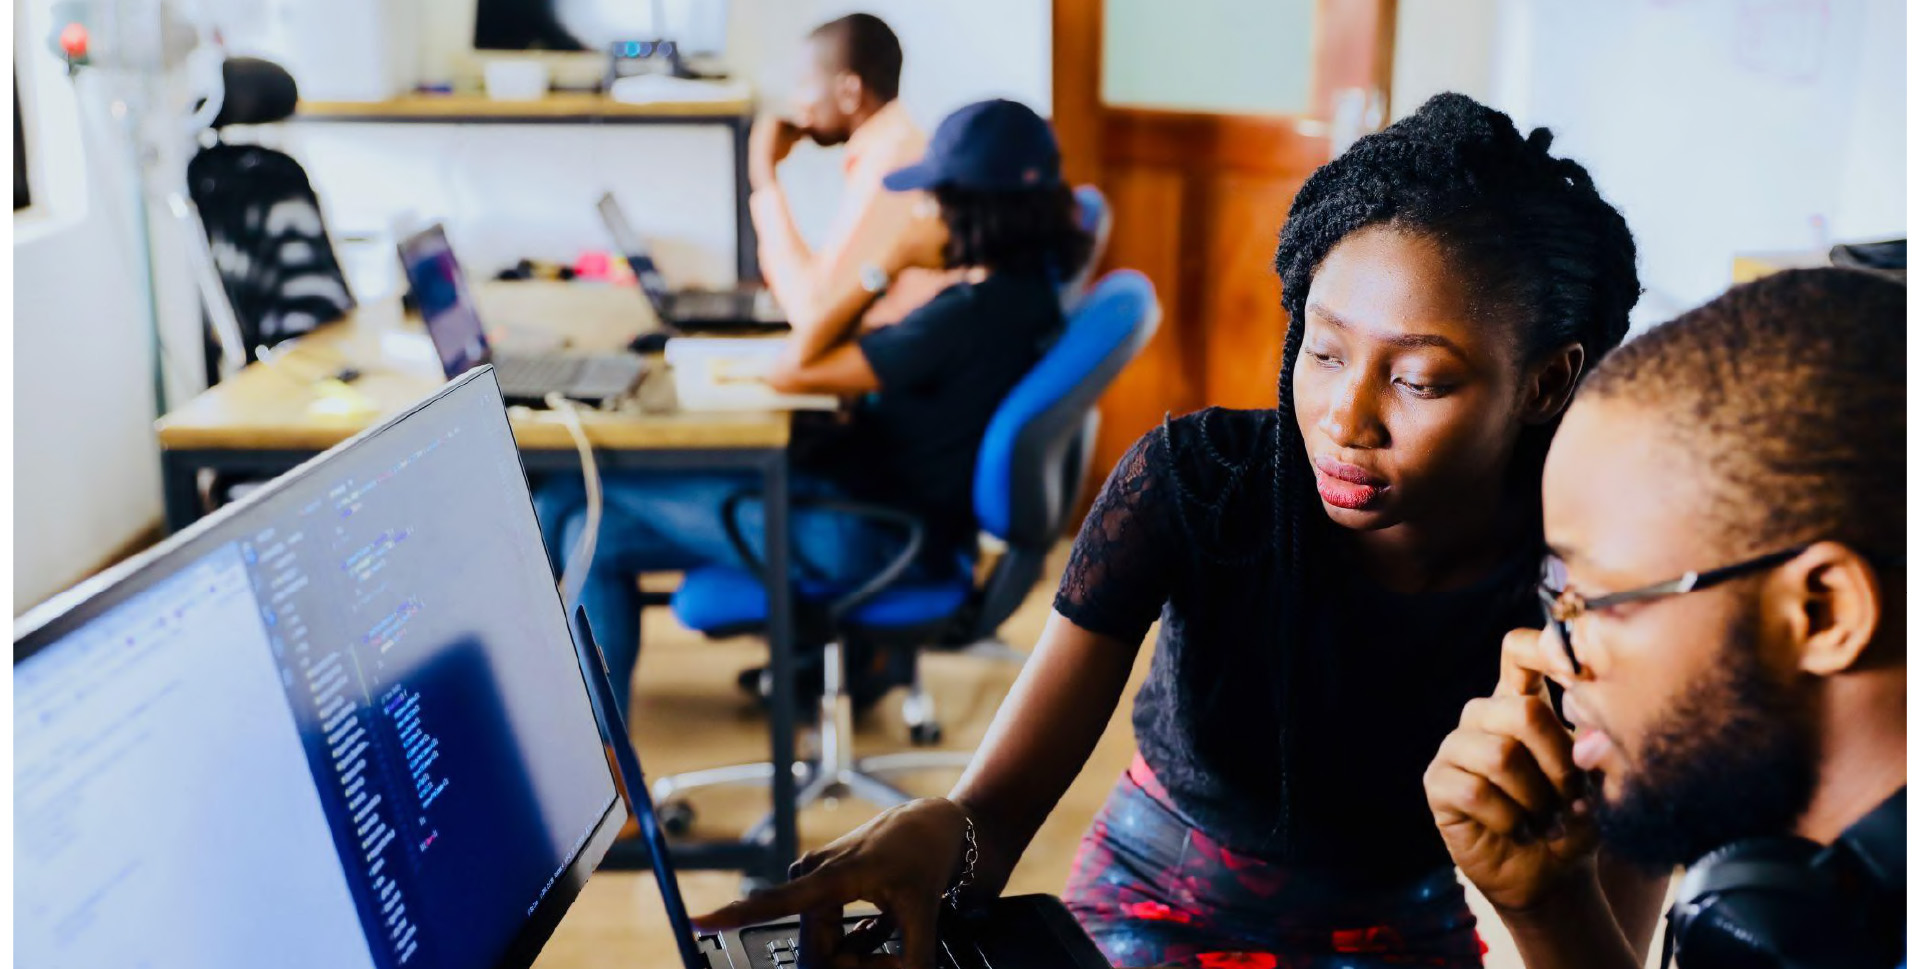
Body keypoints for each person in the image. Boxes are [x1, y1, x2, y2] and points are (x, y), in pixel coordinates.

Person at [694, 93, 1662, 969]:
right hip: (1148, 906)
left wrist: (1544, 894)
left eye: (1417, 379)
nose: (1344, 418)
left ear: (1543, 382)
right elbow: (994, 815)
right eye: (1322, 352)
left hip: (1403, 934)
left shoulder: (1602, 589)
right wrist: (945, 835)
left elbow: (1608, 944)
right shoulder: (1200, 485)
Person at [536, 99, 1092, 718]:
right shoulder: (1028, 297)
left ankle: (604, 767)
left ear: (971, 209)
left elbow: (793, 366)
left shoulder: (963, 318)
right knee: (578, 517)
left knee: (576, 507)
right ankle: (608, 764)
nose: (919, 210)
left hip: (866, 536)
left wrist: (885, 266)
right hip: (890, 516)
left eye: (931, 197)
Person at [1424, 268, 1907, 969]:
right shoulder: (1804, 909)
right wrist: (1549, 906)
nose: (1548, 652)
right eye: (1556, 593)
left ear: (1821, 610)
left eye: (1596, 599)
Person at [749, 12, 953, 333]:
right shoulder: (893, 145)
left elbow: (814, 313)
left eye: (804, 84)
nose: (795, 101)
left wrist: (764, 179)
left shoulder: (890, 164)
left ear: (849, 92)